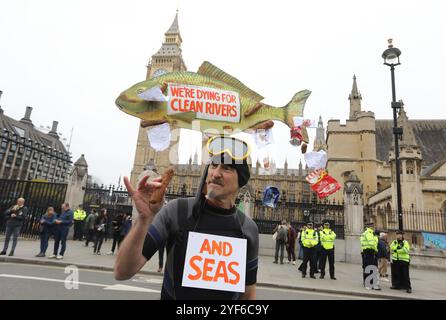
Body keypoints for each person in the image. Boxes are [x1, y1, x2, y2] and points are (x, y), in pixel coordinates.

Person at [115, 136, 259, 300]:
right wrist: (144, 220)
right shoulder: (178, 211)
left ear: (240, 179)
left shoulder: (248, 228)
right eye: (213, 165)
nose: (216, 173)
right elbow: (122, 272)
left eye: (226, 168)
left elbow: (247, 296)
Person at [360, 222, 380, 290]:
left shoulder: (370, 233)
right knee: (369, 268)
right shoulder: (369, 233)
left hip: (370, 252)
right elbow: (372, 243)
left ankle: (371, 283)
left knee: (371, 267)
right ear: (370, 227)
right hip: (369, 252)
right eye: (372, 226)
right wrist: (376, 249)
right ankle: (368, 284)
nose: (373, 227)